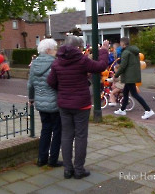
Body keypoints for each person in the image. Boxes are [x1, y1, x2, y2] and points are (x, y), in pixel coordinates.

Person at [47, 36, 109, 179]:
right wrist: (104, 50)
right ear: (77, 48)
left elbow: (51, 82)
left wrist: (63, 88)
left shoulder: (57, 63)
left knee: (66, 135)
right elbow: (100, 66)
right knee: (81, 136)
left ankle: (68, 169)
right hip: (81, 104)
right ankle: (79, 169)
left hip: (64, 104)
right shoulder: (82, 61)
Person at [28, 39, 61, 168]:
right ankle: (53, 159)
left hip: (40, 102)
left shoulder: (34, 64)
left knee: (45, 129)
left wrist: (31, 99)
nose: (56, 51)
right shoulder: (55, 63)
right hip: (54, 103)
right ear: (48, 50)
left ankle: (42, 158)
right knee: (57, 131)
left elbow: (30, 84)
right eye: (55, 48)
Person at [114, 37, 154, 119]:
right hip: (132, 75)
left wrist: (116, 75)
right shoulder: (134, 51)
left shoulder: (125, 52)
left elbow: (123, 66)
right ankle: (122, 109)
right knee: (125, 92)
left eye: (121, 44)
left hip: (129, 76)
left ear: (123, 44)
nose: (120, 46)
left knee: (134, 94)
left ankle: (148, 110)